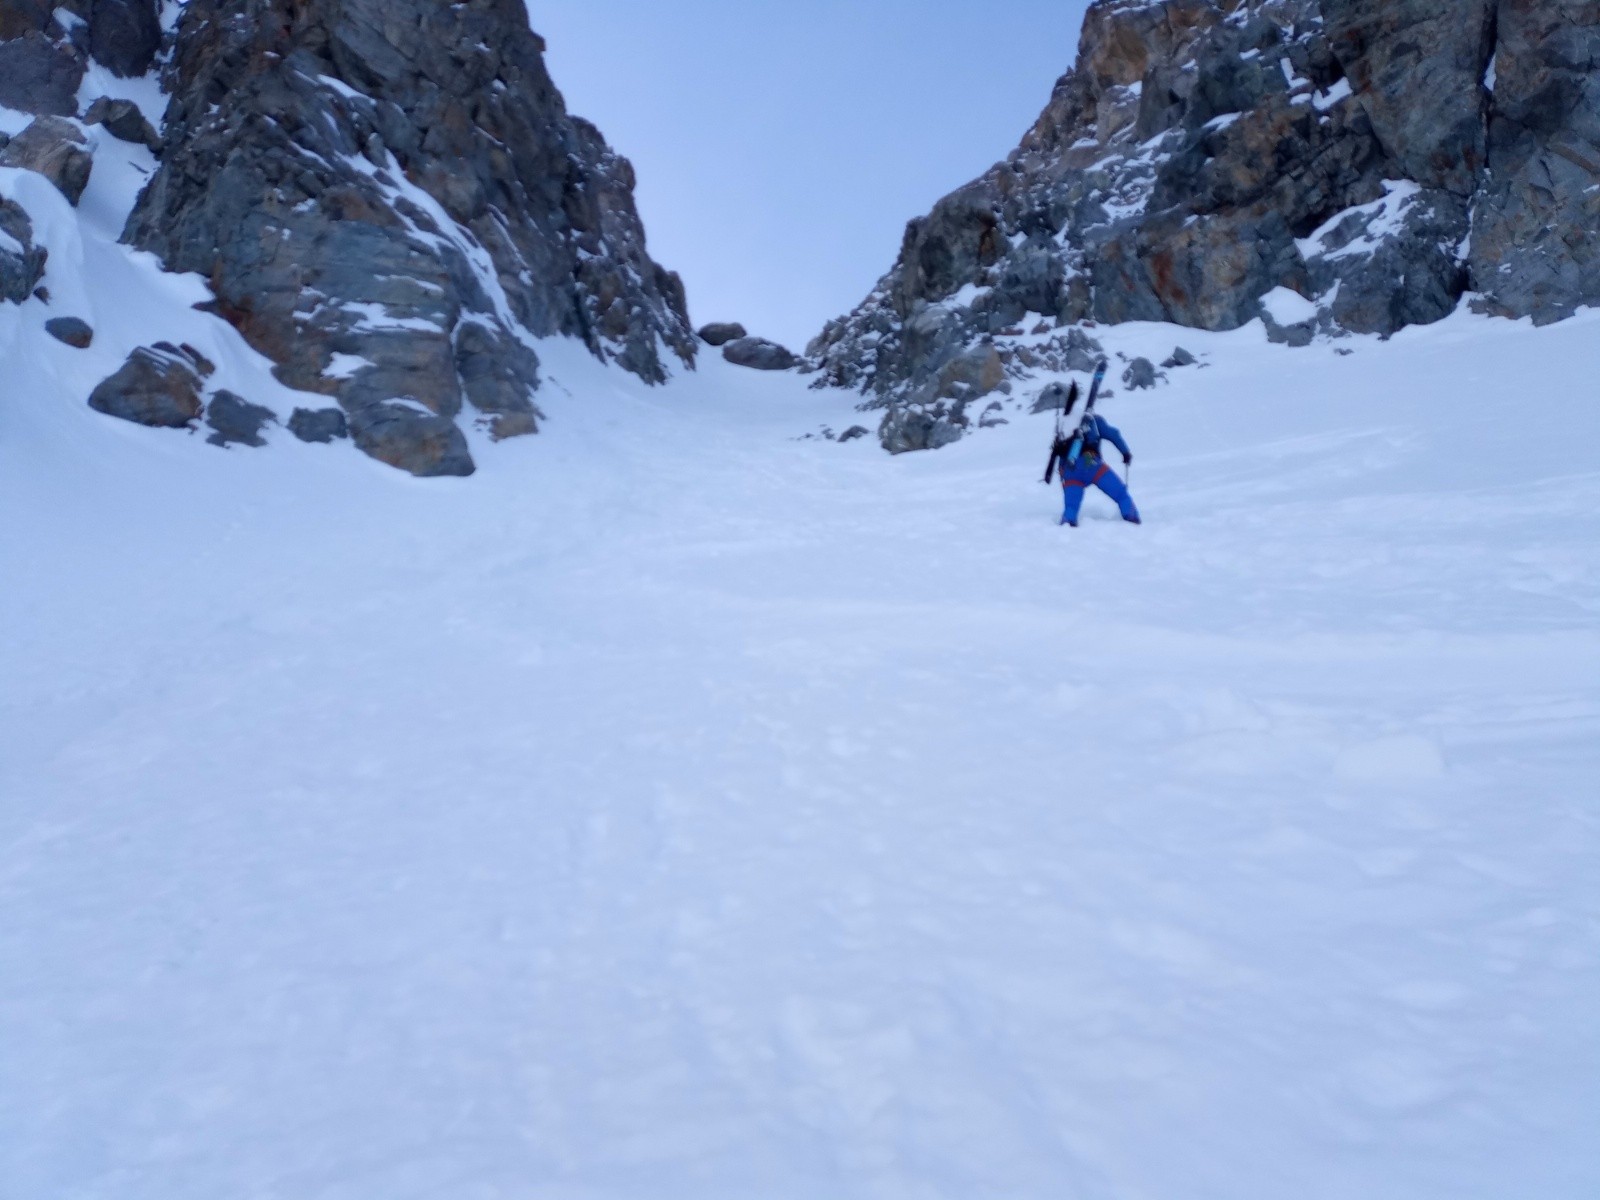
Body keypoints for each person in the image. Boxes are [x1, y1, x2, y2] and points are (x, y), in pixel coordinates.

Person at [1043, 402, 1141, 528]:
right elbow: (1114, 434)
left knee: (1071, 505)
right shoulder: (1094, 420)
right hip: (1092, 464)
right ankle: (1131, 516)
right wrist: (1125, 453)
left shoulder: (1064, 426)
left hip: (1069, 469)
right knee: (1120, 493)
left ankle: (1068, 522)